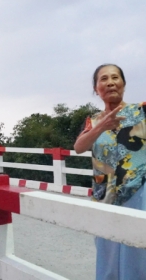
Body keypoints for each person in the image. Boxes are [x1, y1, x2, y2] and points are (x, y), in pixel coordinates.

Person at [74, 64, 146, 280]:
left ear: (123, 83)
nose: (110, 82)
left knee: (137, 257)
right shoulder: (93, 121)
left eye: (115, 77)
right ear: (97, 88)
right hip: (104, 197)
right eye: (104, 79)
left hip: (139, 194)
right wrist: (100, 127)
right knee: (107, 258)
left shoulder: (141, 111)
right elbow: (79, 147)